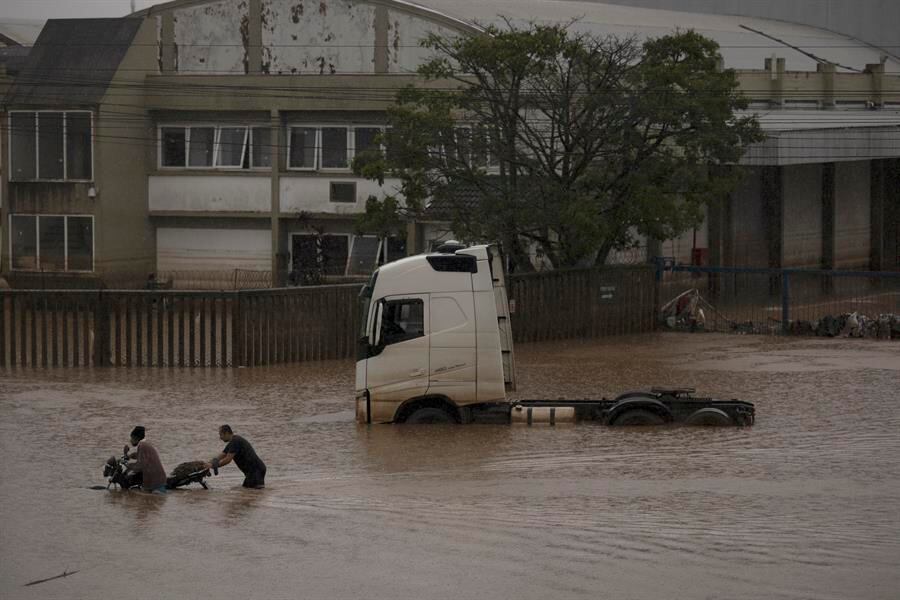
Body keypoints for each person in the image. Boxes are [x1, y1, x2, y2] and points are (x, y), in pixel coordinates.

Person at [126, 426, 167, 494]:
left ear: (136, 438)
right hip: (156, 479)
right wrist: (129, 456)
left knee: (156, 498)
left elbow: (141, 464)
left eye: (131, 438)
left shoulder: (142, 446)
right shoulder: (144, 445)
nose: (130, 440)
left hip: (155, 481)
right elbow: (140, 455)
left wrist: (131, 470)